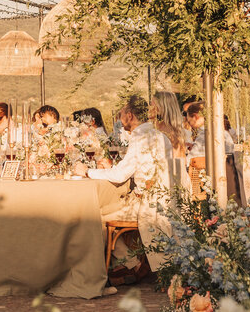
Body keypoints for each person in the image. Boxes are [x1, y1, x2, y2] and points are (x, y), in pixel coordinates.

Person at [73, 95, 174, 269]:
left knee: (95, 217)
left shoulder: (141, 137)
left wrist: (87, 172)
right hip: (164, 200)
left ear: (129, 116)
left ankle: (125, 265)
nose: (120, 120)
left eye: (121, 115)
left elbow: (120, 176)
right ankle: (124, 265)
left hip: (147, 204)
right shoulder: (159, 136)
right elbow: (134, 168)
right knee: (101, 212)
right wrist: (110, 167)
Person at [150, 91, 185, 160]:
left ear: (160, 108)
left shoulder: (165, 131)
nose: (149, 108)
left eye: (151, 105)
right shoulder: (173, 130)